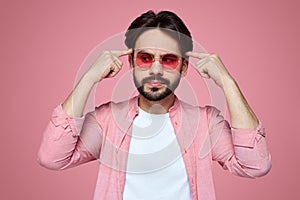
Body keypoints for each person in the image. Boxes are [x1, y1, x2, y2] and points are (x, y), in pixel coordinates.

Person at [37, 10, 271, 200]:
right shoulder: (107, 120)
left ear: (184, 66)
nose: (156, 69)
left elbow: (255, 166)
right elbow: (52, 157)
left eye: (168, 60)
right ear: (131, 62)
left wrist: (228, 84)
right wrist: (89, 78)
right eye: (145, 58)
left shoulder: (205, 123)